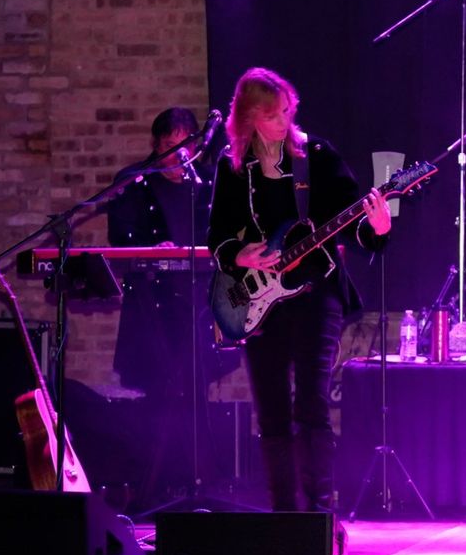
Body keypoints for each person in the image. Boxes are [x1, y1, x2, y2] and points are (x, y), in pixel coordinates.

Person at [207, 69, 391, 512]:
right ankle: (283, 516)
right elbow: (216, 235)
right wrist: (241, 256)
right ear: (248, 117)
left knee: (312, 403)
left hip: (316, 292)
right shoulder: (233, 167)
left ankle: (319, 515)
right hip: (259, 299)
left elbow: (353, 222)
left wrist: (378, 227)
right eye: (272, 115)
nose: (283, 123)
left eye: (287, 111)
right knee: (271, 409)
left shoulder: (317, 156)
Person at [106, 107, 215, 504]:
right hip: (152, 306)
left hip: (198, 305)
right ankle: (155, 487)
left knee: (195, 390)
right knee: (159, 391)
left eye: (184, 146)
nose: (176, 155)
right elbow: (120, 236)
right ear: (156, 144)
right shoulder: (135, 182)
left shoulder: (206, 185)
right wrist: (153, 249)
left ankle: (198, 484)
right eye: (169, 144)